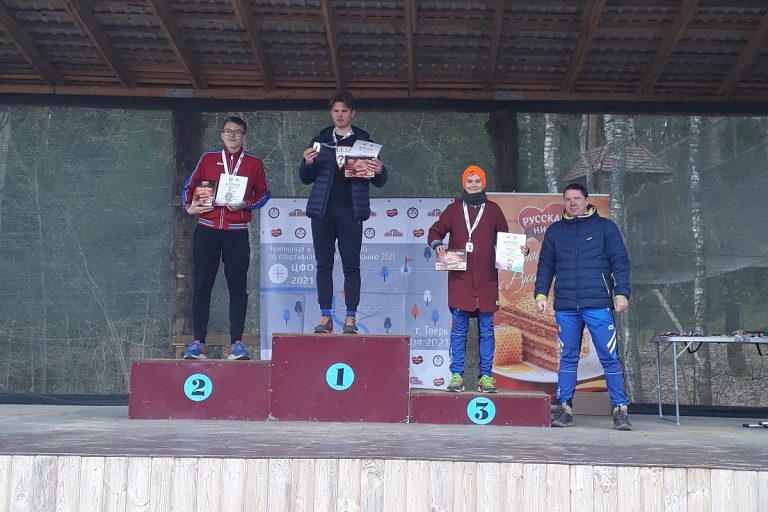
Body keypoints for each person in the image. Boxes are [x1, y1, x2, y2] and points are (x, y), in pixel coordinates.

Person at [534, 183, 632, 430]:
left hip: (598, 303)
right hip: (566, 305)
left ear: (587, 200)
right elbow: (545, 265)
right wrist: (540, 294)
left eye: (577, 198)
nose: (573, 203)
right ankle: (564, 409)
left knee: (609, 357)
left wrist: (621, 293)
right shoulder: (555, 231)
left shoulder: (606, 228)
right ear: (564, 202)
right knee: (567, 357)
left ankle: (620, 409)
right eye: (568, 199)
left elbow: (620, 261)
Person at [428, 166, 529, 393]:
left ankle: (486, 377)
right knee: (458, 330)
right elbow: (434, 232)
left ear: (484, 184)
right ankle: (457, 375)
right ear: (463, 184)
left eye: (477, 181)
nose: (473, 185)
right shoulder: (454, 209)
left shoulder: (493, 210)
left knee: (487, 331)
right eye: (469, 181)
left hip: (486, 280)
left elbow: (506, 241)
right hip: (460, 280)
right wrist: (438, 245)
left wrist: (520, 250)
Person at [181, 116, 271, 360]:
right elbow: (188, 188)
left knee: (237, 288)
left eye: (237, 132)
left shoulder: (253, 163)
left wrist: (246, 203)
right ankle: (198, 343)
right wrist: (189, 207)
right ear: (221, 135)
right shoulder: (208, 159)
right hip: (207, 229)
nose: (232, 135)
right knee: (202, 286)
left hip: (236, 232)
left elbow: (264, 194)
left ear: (244, 136)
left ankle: (237, 344)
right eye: (228, 131)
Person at [299, 91, 387, 334]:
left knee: (351, 266)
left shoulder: (364, 142)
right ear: (331, 113)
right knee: (323, 265)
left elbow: (380, 181)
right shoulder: (319, 141)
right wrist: (307, 162)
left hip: (351, 211)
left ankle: (350, 318)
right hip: (323, 212)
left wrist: (380, 169)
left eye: (344, 111)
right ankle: (325, 317)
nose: (339, 115)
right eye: (336, 111)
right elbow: (305, 178)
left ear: (352, 113)